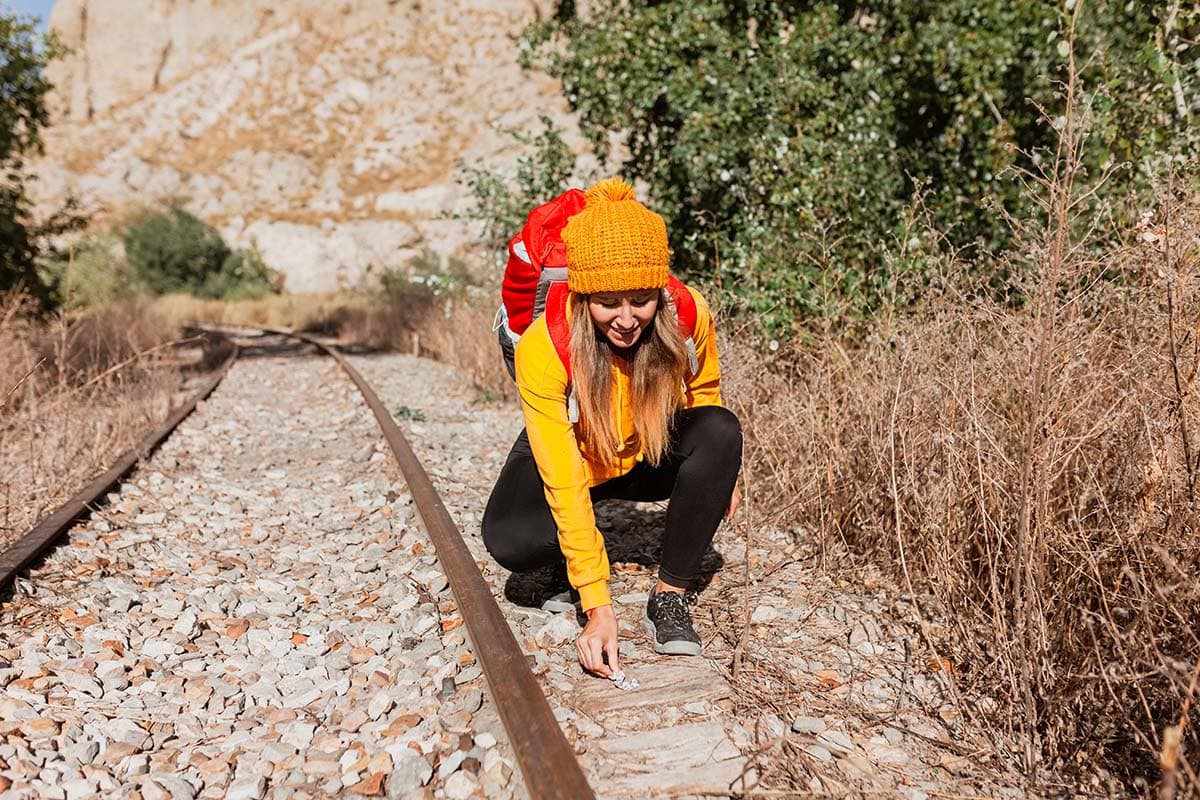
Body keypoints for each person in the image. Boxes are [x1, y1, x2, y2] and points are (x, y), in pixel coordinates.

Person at [482, 177, 742, 678]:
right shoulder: (546, 347)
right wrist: (597, 605)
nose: (626, 319)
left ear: (659, 292)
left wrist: (720, 474)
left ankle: (669, 597)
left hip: (646, 448)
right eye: (608, 303)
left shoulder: (689, 313)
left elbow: (705, 391)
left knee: (721, 431)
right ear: (582, 297)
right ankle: (568, 562)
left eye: (640, 299)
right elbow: (561, 474)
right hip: (578, 451)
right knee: (509, 541)